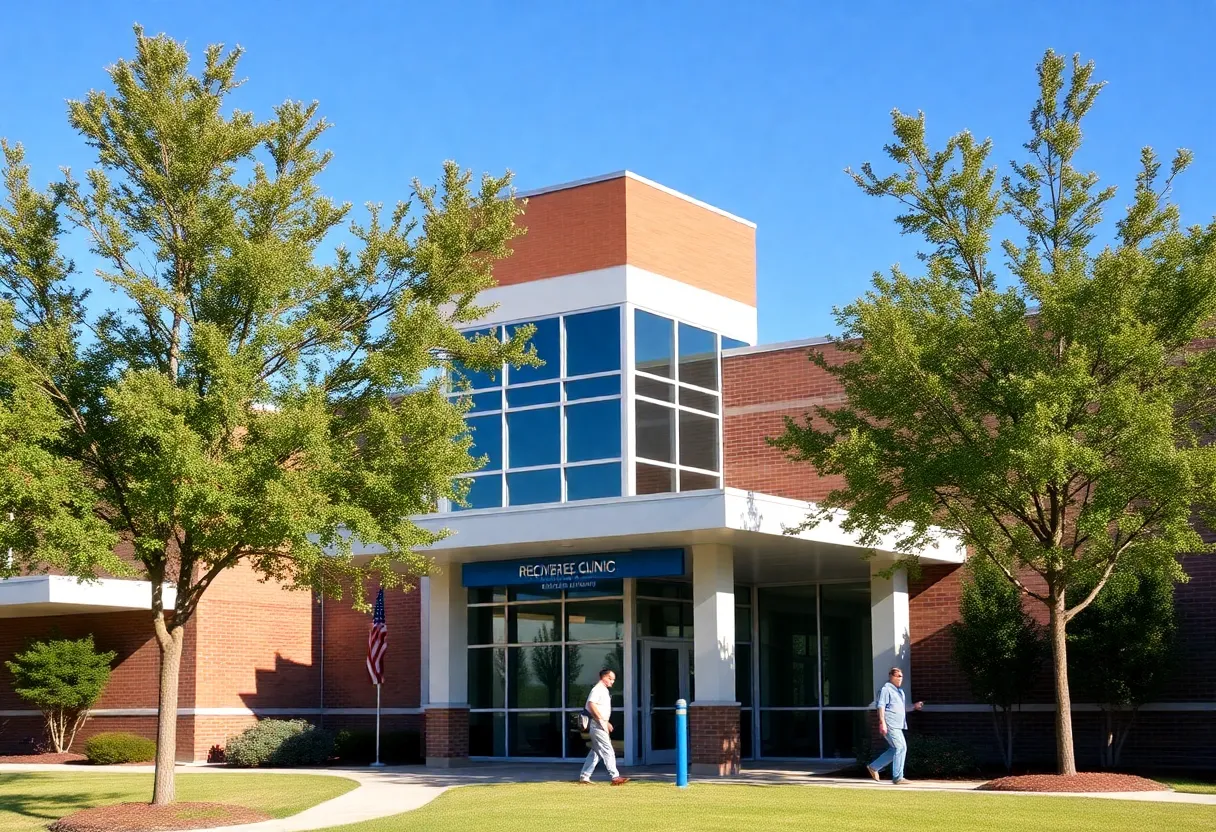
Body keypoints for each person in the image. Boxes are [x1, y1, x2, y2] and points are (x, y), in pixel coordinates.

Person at [867, 666, 922, 785]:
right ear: (891, 676)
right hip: (890, 723)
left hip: (898, 724)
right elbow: (881, 706)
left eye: (901, 676)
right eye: (898, 676)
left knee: (895, 749)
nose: (900, 678)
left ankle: (874, 767)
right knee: (901, 747)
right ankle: (898, 777)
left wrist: (914, 706)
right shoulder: (886, 689)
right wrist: (882, 723)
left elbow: (901, 708)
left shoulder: (900, 692)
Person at [578, 667, 628, 785]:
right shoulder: (598, 690)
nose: (613, 681)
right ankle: (615, 777)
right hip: (597, 725)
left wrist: (606, 722)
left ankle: (584, 777)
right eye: (611, 679)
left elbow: (599, 708)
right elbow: (591, 705)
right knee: (608, 750)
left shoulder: (603, 690)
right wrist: (601, 720)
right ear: (605, 677)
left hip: (599, 723)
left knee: (595, 752)